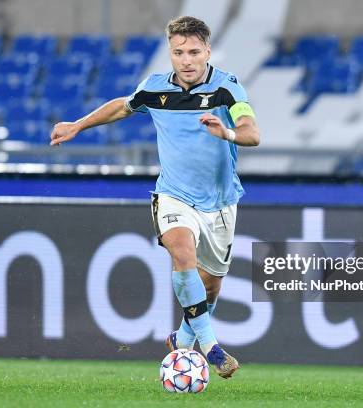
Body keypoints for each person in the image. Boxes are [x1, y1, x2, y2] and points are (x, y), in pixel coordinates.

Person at [50, 15, 259, 379]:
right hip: (173, 196)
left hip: (221, 205)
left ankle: (183, 337)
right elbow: (122, 105)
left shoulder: (228, 88)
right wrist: (77, 125)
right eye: (179, 53)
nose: (187, 60)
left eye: (194, 52)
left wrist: (224, 132)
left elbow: (251, 133)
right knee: (182, 255)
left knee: (209, 287)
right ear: (171, 53)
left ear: (207, 51)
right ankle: (212, 348)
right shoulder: (155, 88)